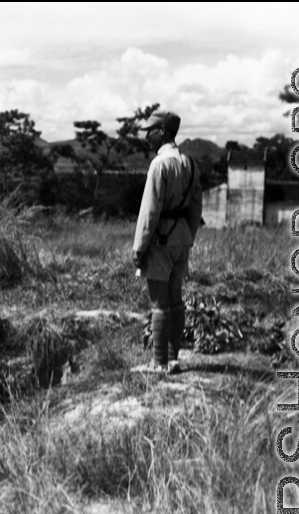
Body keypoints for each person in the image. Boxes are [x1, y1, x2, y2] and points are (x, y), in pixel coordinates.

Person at [131, 110, 202, 375]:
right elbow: (196, 206)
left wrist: (139, 248)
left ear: (162, 131)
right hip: (182, 237)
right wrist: (188, 237)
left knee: (159, 303)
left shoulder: (159, 165)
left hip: (160, 237)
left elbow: (149, 211)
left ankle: (158, 362)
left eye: (150, 130)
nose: (146, 135)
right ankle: (173, 359)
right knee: (176, 300)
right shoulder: (190, 163)